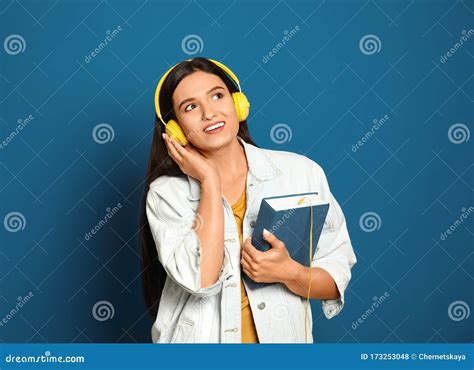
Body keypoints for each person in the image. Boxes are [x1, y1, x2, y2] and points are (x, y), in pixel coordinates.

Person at [139, 57, 357, 343]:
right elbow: (201, 280)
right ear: (175, 129)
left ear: (238, 104)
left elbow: (334, 279)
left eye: (217, 96)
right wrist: (209, 180)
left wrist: (290, 273)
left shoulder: (302, 173)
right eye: (190, 107)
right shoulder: (167, 194)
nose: (209, 113)